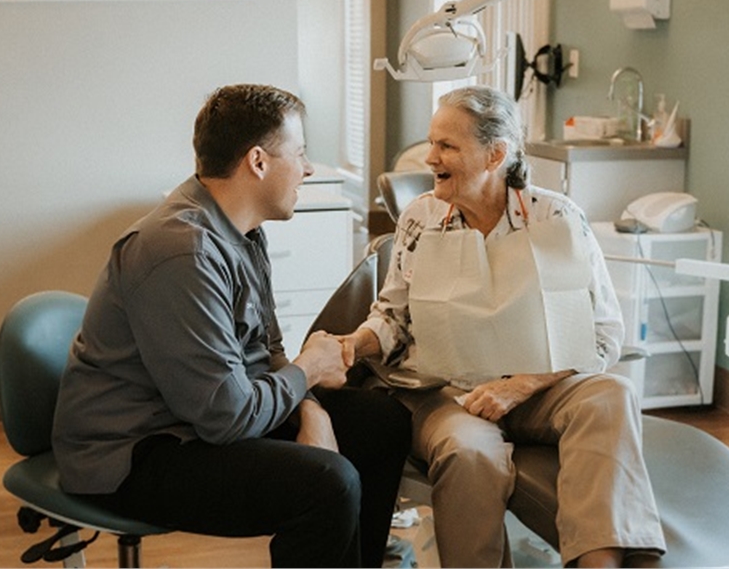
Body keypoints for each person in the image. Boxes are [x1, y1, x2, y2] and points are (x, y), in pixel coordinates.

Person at [52, 83, 412, 568]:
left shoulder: (243, 232)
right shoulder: (182, 251)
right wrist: (306, 373)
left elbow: (268, 350)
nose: (307, 168)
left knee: (380, 422)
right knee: (326, 483)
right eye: (301, 153)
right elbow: (226, 417)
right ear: (258, 162)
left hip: (194, 421)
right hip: (132, 453)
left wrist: (310, 410)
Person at [339, 85, 667, 568]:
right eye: (432, 143)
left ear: (495, 154)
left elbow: (603, 334)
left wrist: (524, 385)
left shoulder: (556, 218)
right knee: (470, 454)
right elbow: (392, 319)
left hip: (539, 388)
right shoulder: (421, 219)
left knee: (611, 395)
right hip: (446, 392)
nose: (430, 158)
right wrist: (351, 344)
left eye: (447, 146)